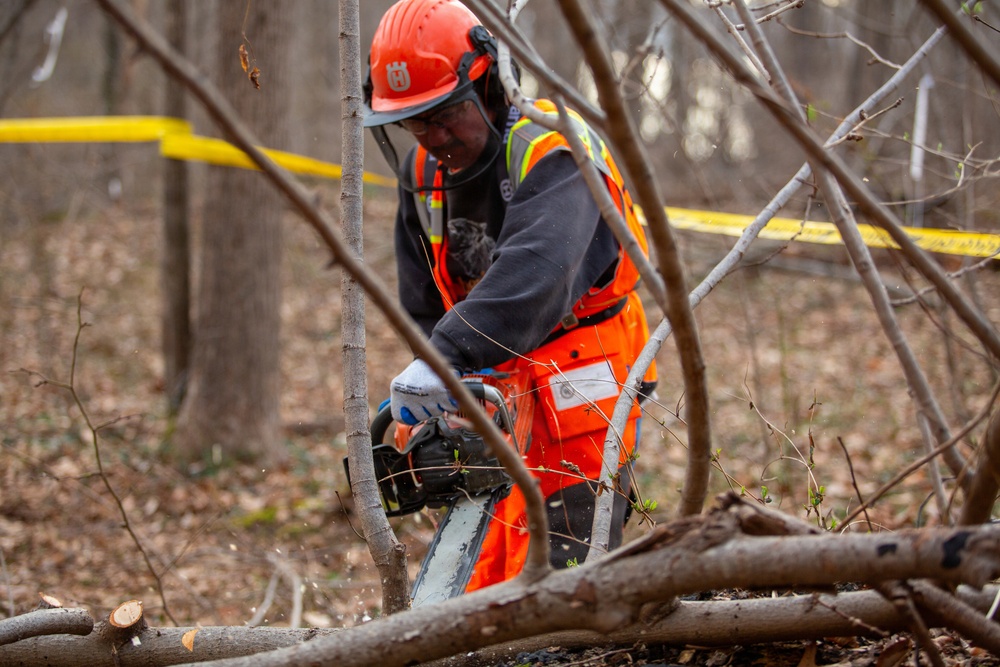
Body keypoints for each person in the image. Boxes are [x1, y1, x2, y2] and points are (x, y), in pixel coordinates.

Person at [363, 0, 657, 592]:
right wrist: (434, 375)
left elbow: (538, 271)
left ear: (490, 86)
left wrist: (447, 355)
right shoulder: (423, 173)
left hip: (582, 373)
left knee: (566, 574)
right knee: (480, 572)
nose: (434, 137)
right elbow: (424, 299)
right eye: (416, 122)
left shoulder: (555, 150)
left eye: (445, 115)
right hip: (491, 371)